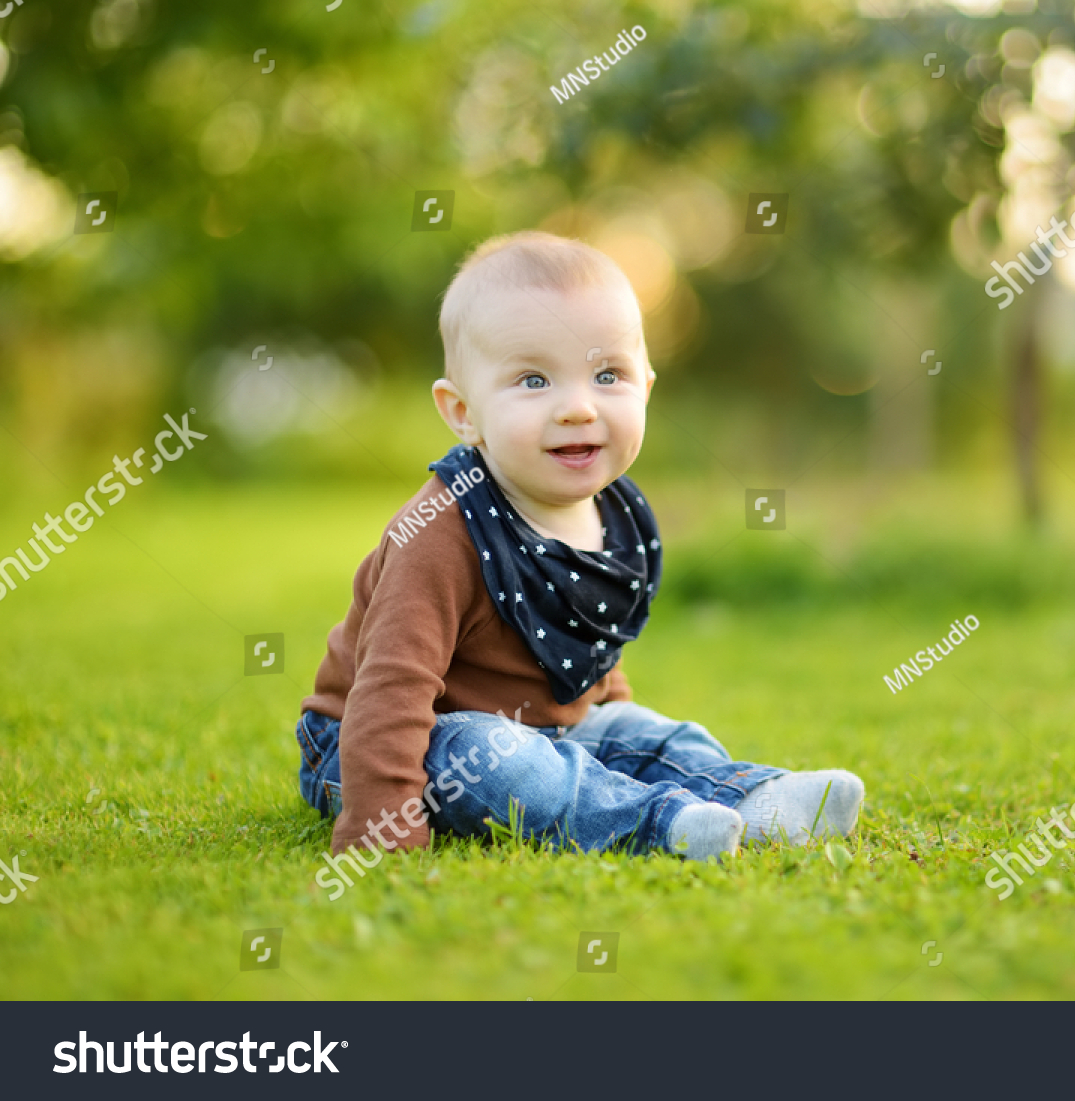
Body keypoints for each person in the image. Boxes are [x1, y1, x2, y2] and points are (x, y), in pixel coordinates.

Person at [296, 230, 864, 864]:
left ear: (645, 387)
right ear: (462, 413)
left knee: (660, 733)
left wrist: (620, 729)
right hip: (389, 743)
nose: (576, 407)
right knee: (504, 762)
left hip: (552, 724)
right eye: (534, 380)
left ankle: (756, 797)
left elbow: (584, 631)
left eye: (606, 374)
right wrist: (381, 824)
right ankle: (659, 823)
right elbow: (391, 688)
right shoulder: (438, 533)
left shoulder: (611, 513)